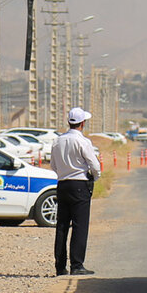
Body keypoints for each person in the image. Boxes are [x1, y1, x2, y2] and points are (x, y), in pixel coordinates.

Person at [51, 107, 103, 276]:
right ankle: (76, 264)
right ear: (82, 123)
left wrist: (63, 173)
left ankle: (60, 266)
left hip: (62, 184)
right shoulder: (83, 142)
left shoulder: (58, 141)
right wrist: (94, 177)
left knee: (62, 226)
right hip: (80, 184)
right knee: (80, 226)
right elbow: (94, 165)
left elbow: (53, 165)